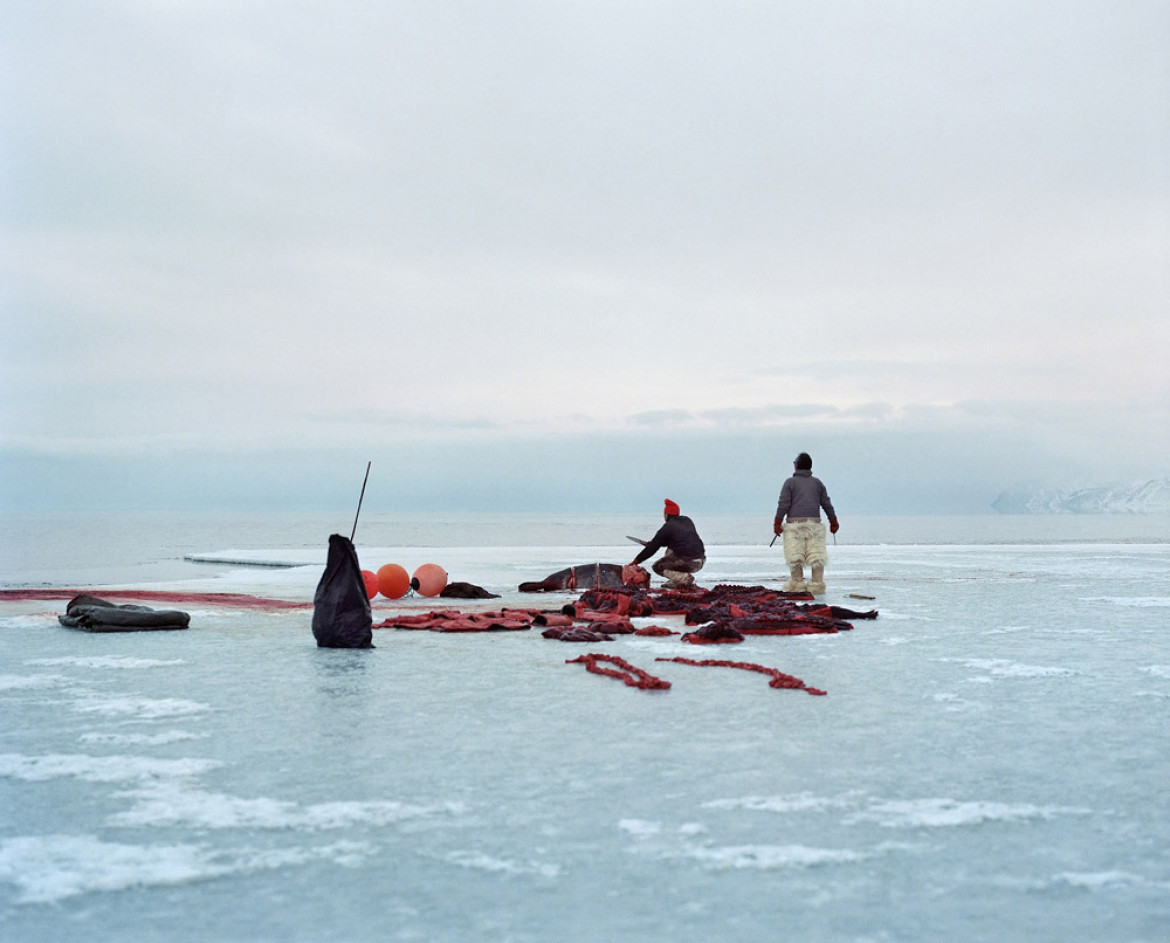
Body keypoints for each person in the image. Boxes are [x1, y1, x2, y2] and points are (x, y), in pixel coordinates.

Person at [773, 453, 839, 594]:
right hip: (814, 525)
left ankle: (797, 584)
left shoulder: (789, 483)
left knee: (795, 556)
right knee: (816, 556)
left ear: (796, 465)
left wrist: (777, 522)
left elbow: (783, 504)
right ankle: (817, 584)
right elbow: (826, 503)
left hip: (794, 526)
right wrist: (833, 520)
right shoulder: (817, 483)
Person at [631, 499, 706, 589]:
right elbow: (678, 540)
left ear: (666, 514)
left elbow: (651, 549)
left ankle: (681, 577)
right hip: (700, 561)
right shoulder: (687, 521)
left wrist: (635, 562)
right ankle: (680, 579)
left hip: (686, 561)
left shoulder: (667, 527)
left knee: (657, 566)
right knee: (672, 549)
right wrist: (653, 543)